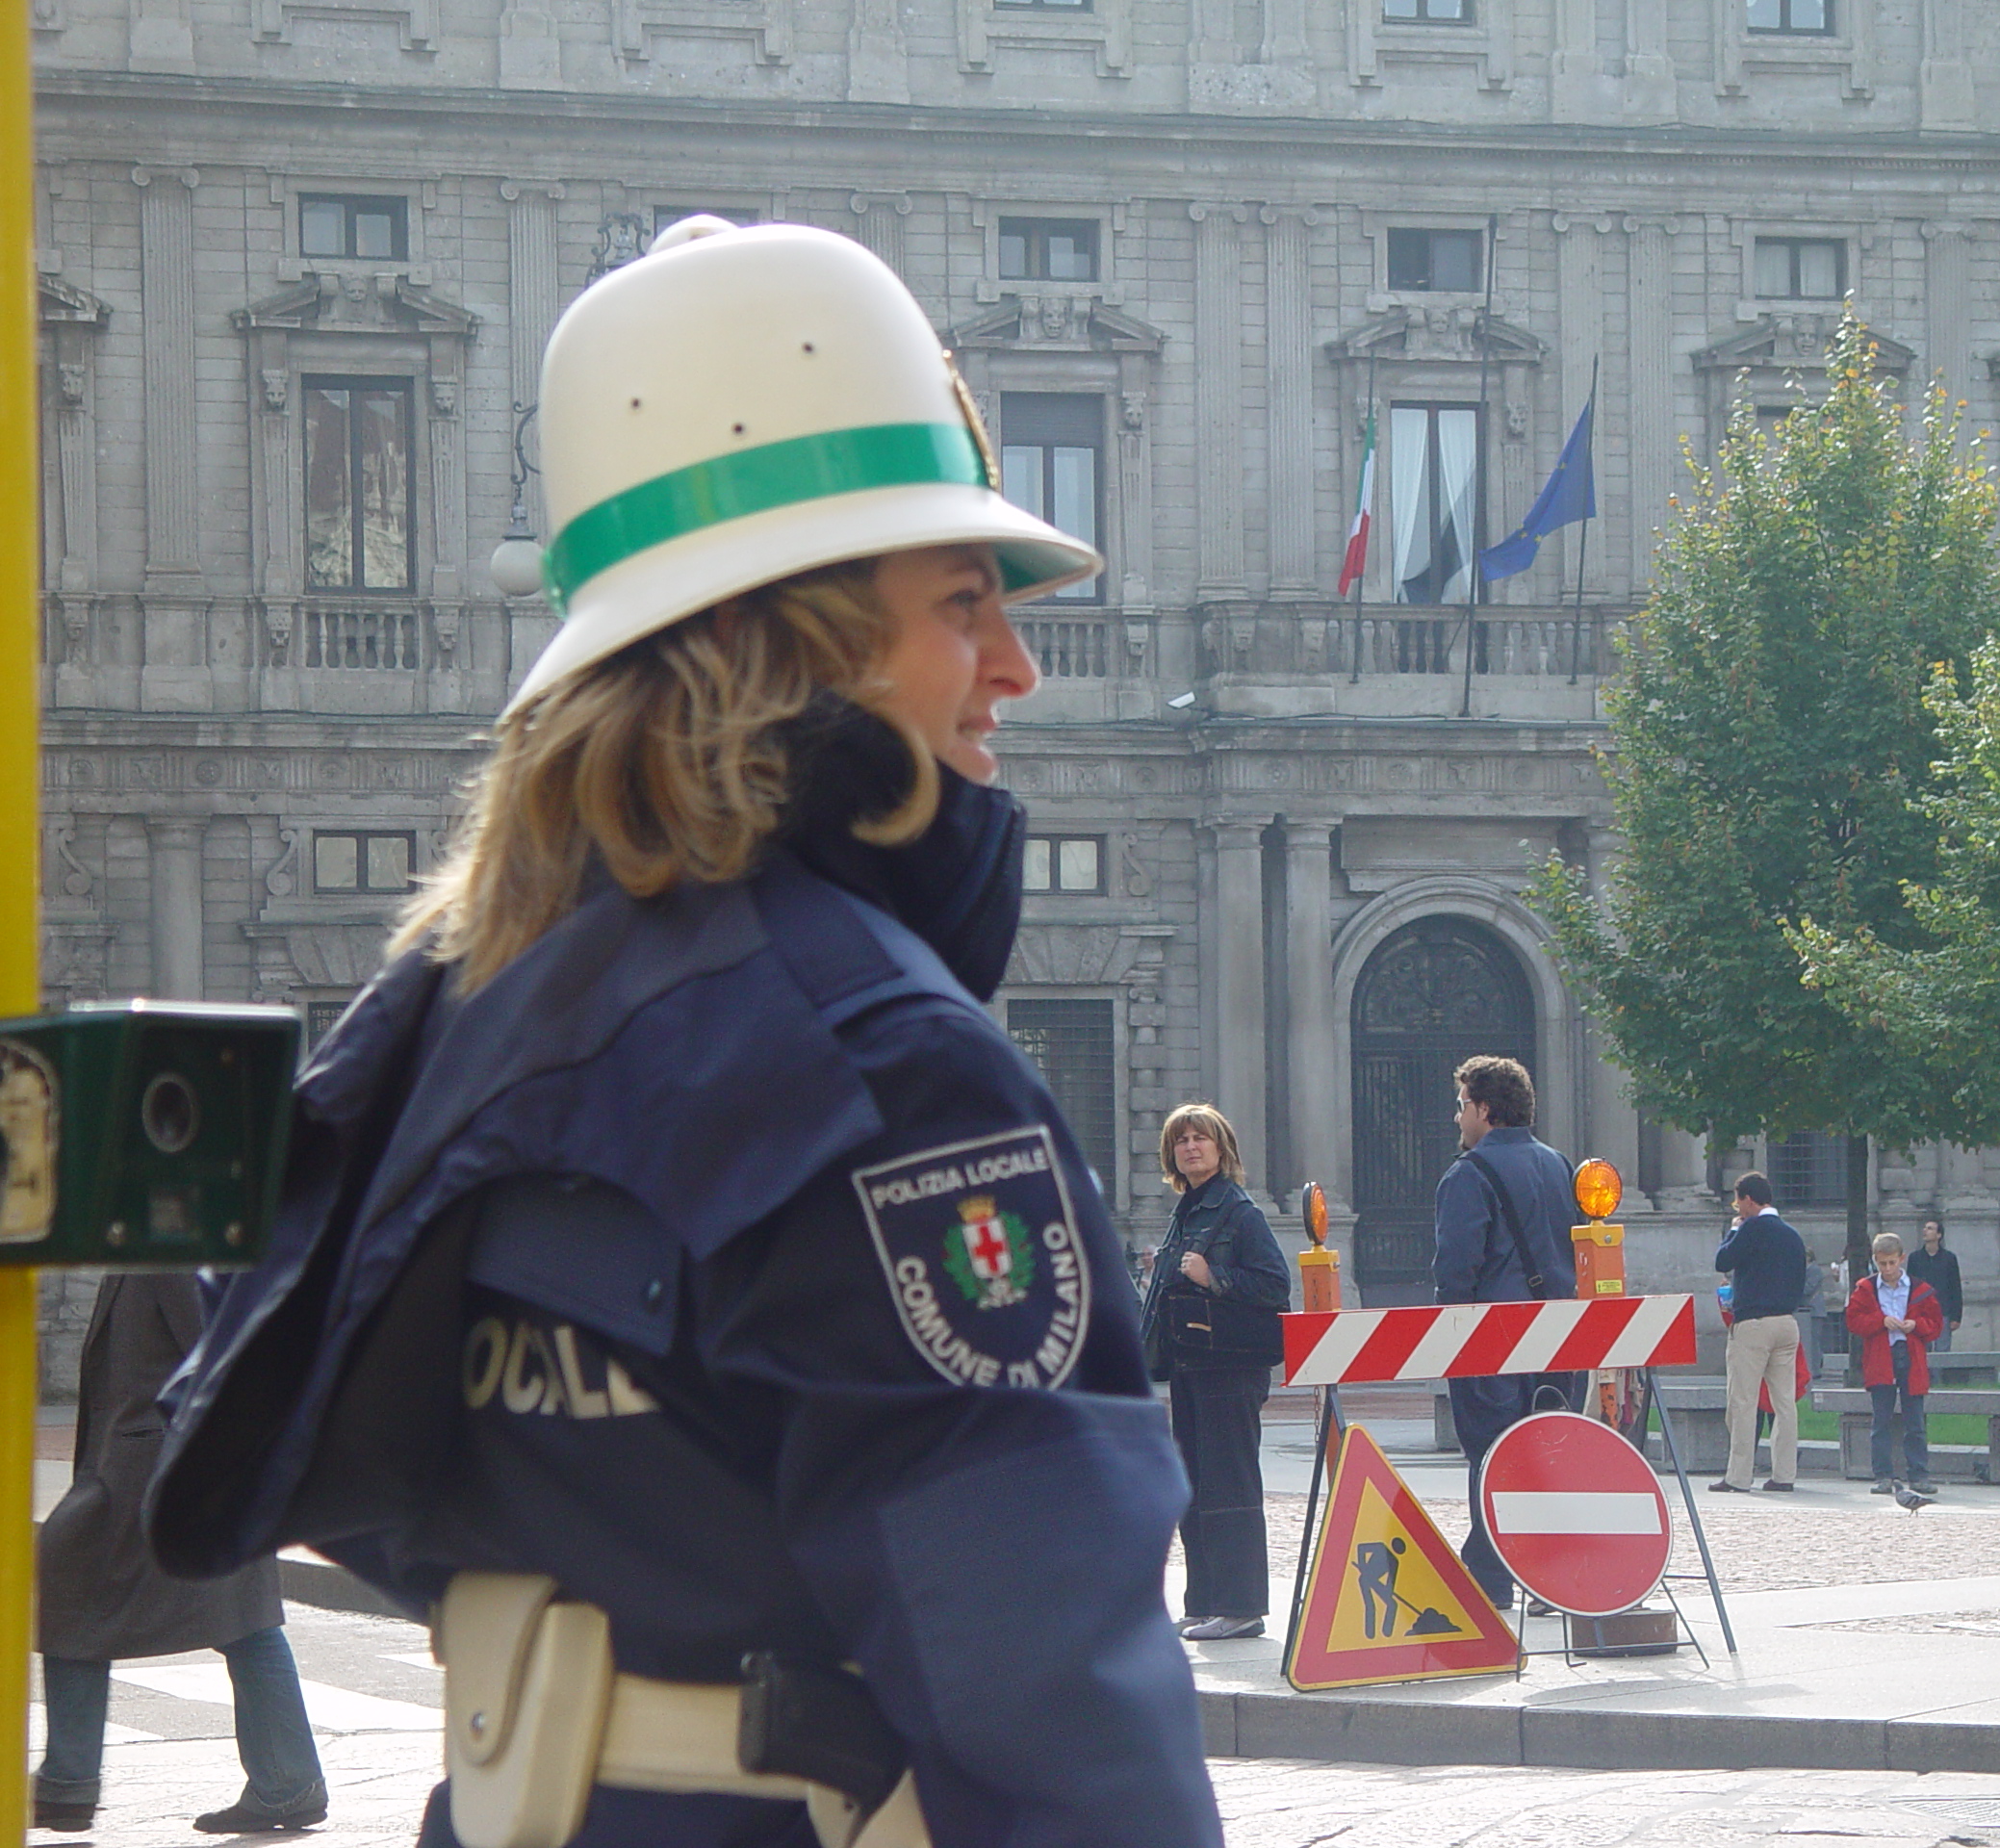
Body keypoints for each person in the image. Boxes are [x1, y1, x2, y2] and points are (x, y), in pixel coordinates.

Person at [145, 218, 1219, 1848]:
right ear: (785, 633)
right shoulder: (880, 1064)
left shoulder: (455, 997)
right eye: (959, 600)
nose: (1015, 665)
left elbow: (294, 1439)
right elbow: (1051, 1698)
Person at [37, 1274, 326, 1835]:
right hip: (157, 1466)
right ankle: (286, 1779)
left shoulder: (171, 1242)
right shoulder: (145, 1239)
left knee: (239, 1619)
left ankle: (70, 1780)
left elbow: (218, 1351)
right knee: (242, 1619)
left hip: (166, 1468)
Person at [1431, 1055, 1581, 1608]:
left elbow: (1456, 1272)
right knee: (1546, 1454)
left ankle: (1491, 1579)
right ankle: (1547, 1577)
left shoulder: (1468, 1174)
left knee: (1493, 1458)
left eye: (1462, 1106)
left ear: (1485, 1110)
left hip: (1492, 1341)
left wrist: (1451, 1339)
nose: (1457, 1118)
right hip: (1560, 1336)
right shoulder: (1559, 1164)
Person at [1138, 1103, 1291, 1642]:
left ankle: (1242, 1605)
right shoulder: (1190, 1209)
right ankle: (1205, 1602)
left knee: (1231, 1484)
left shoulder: (1238, 1211)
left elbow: (1274, 1285)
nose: (1191, 1148)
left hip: (1230, 1367)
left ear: (1221, 1148)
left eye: (1201, 1139)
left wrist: (1213, 1276)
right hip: (1192, 1365)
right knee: (1197, 1485)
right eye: (1181, 1141)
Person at [1711, 1171, 1807, 1494]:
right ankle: (1784, 1474)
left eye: (1738, 1201)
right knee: (1784, 1404)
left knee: (1742, 1401)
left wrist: (1733, 1231)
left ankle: (1738, 1476)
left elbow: (1722, 1260)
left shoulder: (1750, 1229)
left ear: (1748, 1200)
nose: (1737, 1207)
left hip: (1753, 1324)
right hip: (1786, 1323)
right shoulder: (1792, 1235)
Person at [1845, 1231, 1945, 1498]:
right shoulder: (1865, 1289)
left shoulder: (1919, 1289)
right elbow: (1853, 1321)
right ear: (1875, 1261)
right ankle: (1883, 1475)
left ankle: (1919, 1474)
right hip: (1880, 1357)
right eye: (1882, 1264)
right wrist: (1880, 1321)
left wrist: (1916, 1325)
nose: (1888, 1269)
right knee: (1881, 1420)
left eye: (1892, 1263)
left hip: (1910, 1356)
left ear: (1901, 1259)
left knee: (1915, 1421)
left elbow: (1935, 1325)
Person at [1905, 1218, 1962, 1353]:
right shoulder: (1915, 1258)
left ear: (1939, 1235)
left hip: (1943, 1310)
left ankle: (1940, 1376)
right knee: (1922, 1350)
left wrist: (1956, 1316)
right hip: (1921, 1312)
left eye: (1930, 1228)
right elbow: (1909, 1287)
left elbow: (1955, 1287)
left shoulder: (1949, 1258)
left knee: (1942, 1350)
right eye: (1925, 1228)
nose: (1925, 1230)